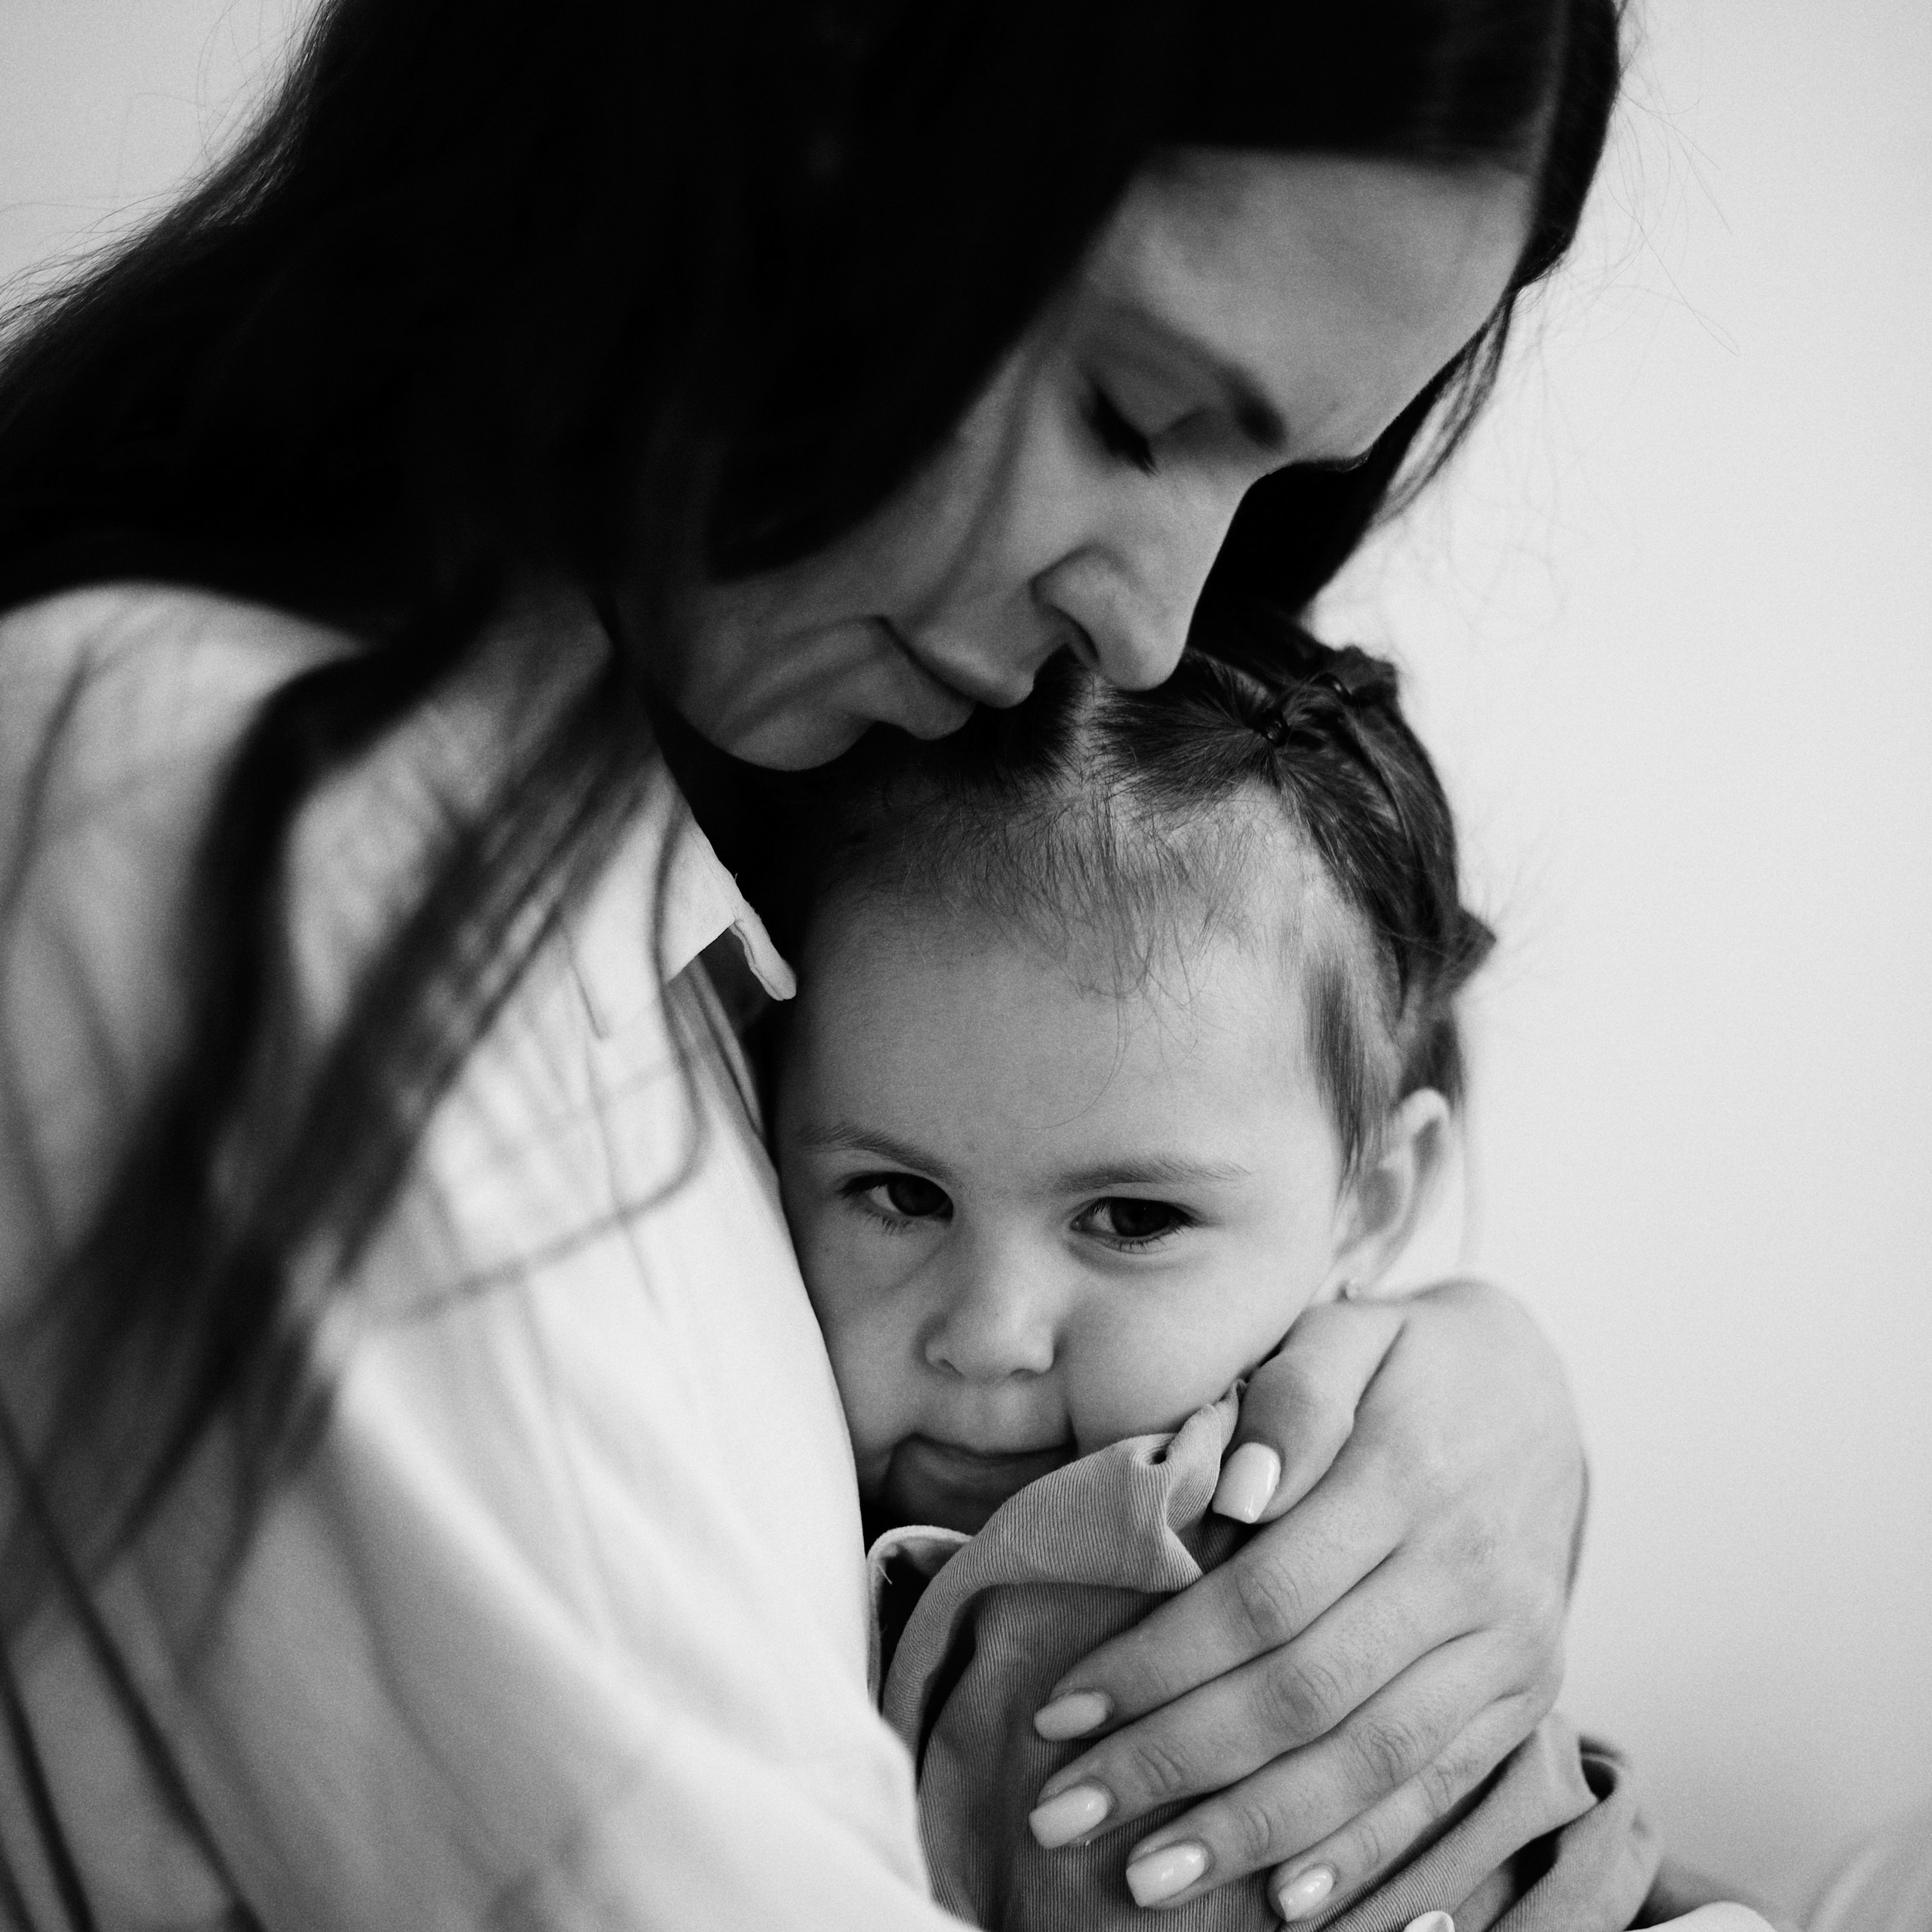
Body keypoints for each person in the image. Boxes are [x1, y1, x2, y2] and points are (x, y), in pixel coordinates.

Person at [0, 1, 1722, 1925]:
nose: (1150, 631)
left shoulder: (718, 853)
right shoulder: (215, 800)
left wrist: (1463, 1403)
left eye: (1260, 486)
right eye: (1131, 416)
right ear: (764, 156)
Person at [769, 622, 1791, 1930]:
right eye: (901, 1196)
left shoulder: (1154, 1553)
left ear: (1370, 1201)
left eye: (1132, 1218)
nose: (990, 1333)